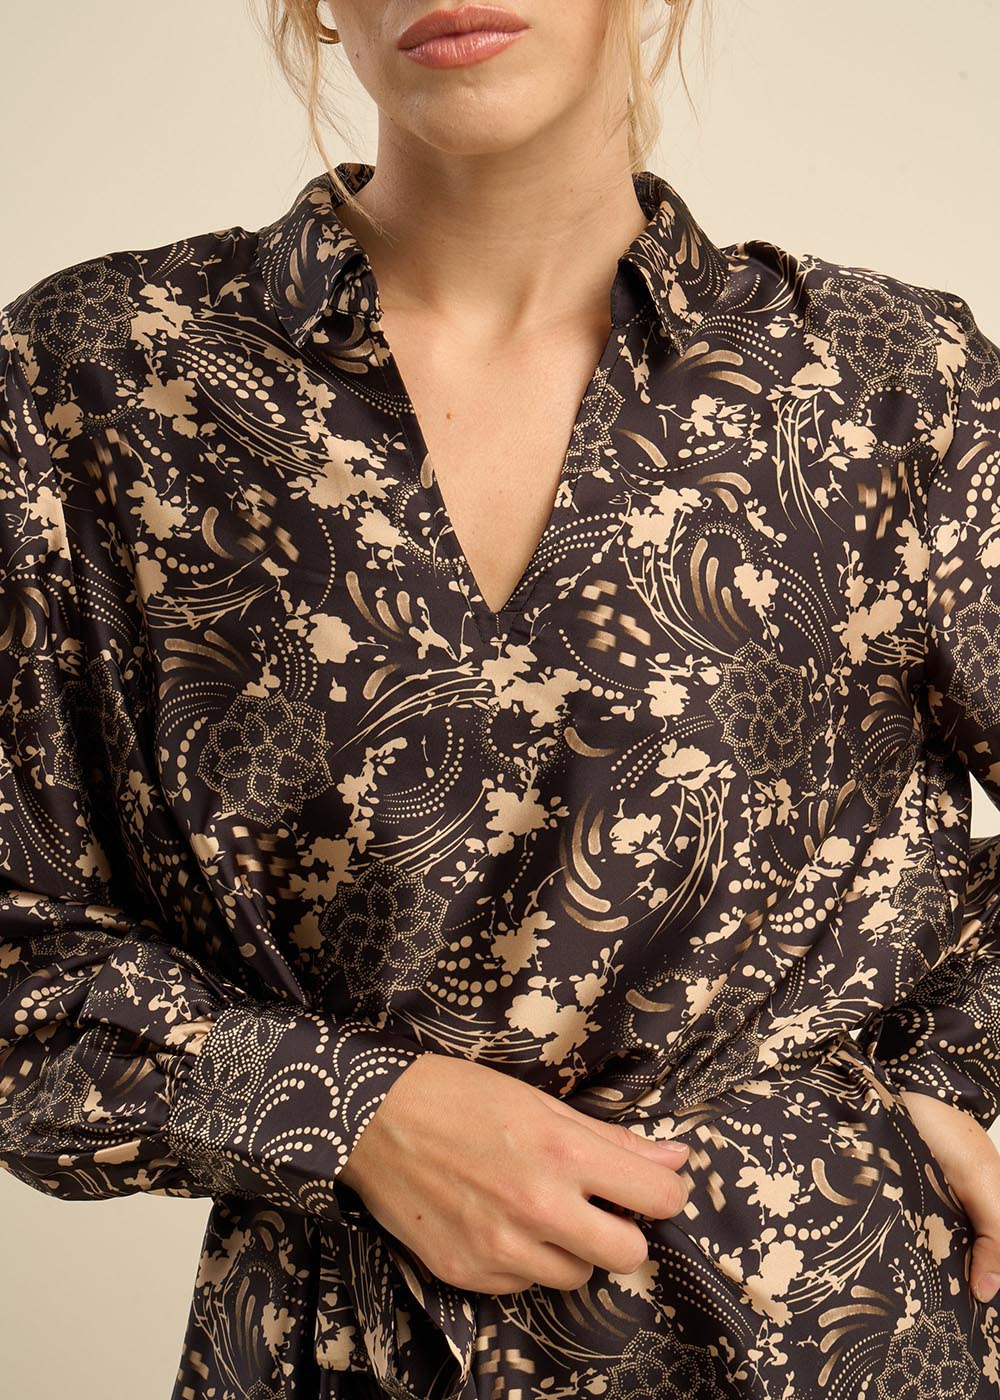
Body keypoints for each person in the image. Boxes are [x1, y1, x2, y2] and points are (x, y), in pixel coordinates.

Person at [2, 0, 1000, 1395]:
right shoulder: (101, 378)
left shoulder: (890, 381)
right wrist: (349, 1113)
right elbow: (22, 956)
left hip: (820, 1324)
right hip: (343, 1348)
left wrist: (949, 1068)